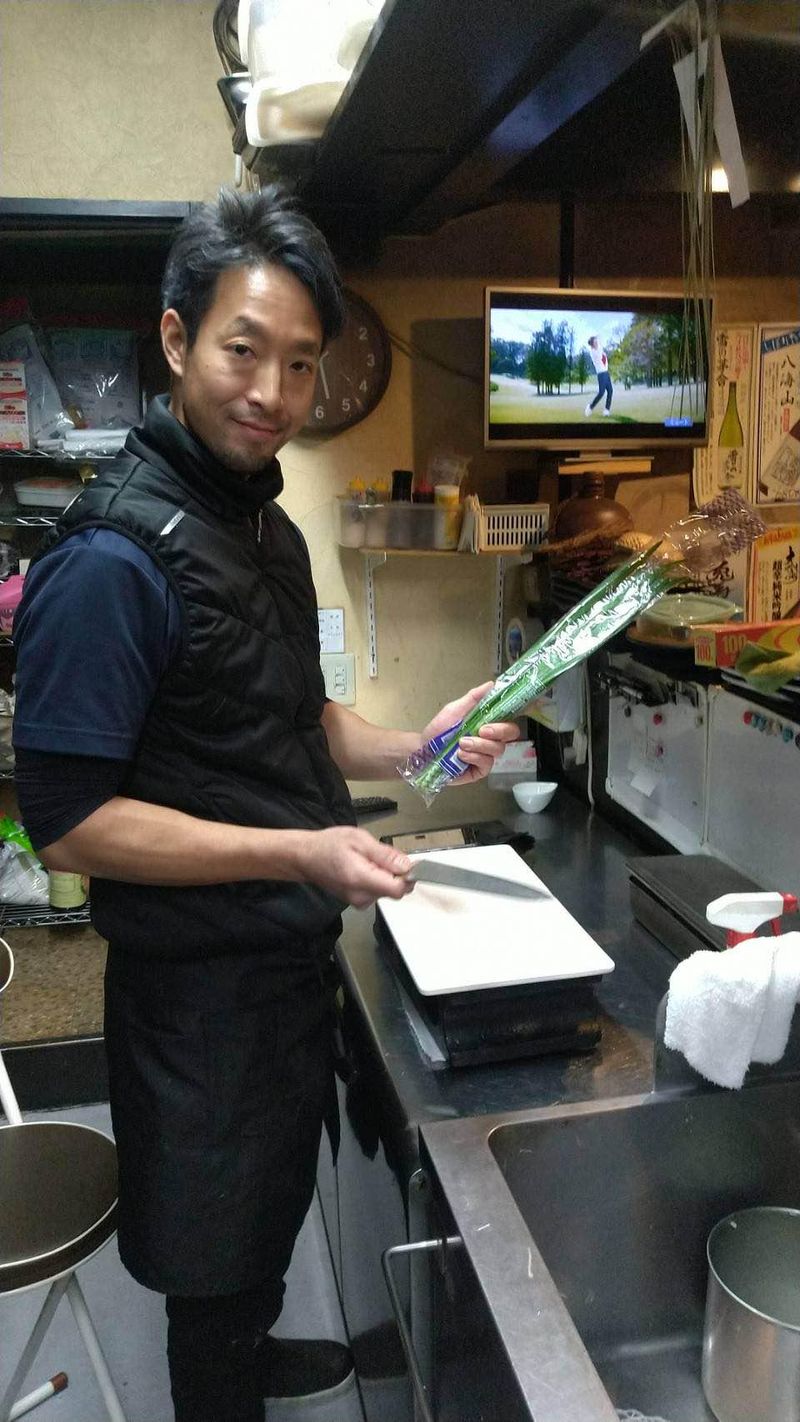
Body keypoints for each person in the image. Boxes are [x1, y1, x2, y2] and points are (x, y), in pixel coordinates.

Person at [11, 186, 519, 1422]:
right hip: (196, 997)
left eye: (299, 363)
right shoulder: (110, 561)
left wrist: (417, 749)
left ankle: (246, 1348)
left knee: (257, 1220)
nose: (272, 392)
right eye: (244, 351)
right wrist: (301, 849)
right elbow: (70, 822)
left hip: (276, 967)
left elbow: (297, 716)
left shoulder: (259, 527)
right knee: (209, 1255)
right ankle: (221, 1385)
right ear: (176, 340)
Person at [584, 334, 613, 417]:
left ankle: (606, 410)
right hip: (601, 374)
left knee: (610, 391)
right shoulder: (593, 352)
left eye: (596, 341)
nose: (597, 342)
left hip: (606, 373)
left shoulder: (599, 348)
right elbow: (600, 354)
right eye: (595, 342)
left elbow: (600, 343)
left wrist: (597, 338)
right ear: (592, 344)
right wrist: (597, 339)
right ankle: (590, 407)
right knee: (601, 393)